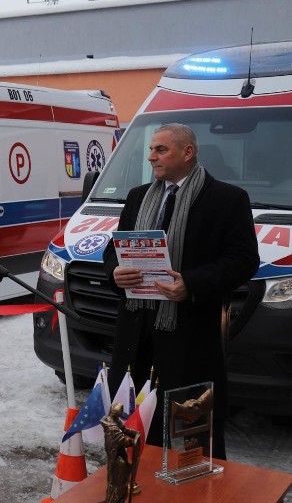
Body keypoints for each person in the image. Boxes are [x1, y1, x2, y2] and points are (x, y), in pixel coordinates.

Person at [103, 123, 259, 460]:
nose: (151, 157)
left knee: (193, 433)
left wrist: (191, 283)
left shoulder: (227, 199)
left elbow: (244, 261)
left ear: (187, 152)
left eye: (160, 150)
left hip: (188, 335)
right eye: (151, 150)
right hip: (137, 335)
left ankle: (199, 489)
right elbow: (112, 250)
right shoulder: (138, 196)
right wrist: (115, 271)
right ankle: (134, 481)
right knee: (132, 425)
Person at [100, 403, 140, 503]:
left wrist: (135, 433)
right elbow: (123, 441)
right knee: (118, 482)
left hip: (119, 454)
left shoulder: (114, 420)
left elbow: (124, 429)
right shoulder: (112, 428)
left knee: (118, 481)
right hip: (116, 459)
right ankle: (115, 500)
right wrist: (134, 442)